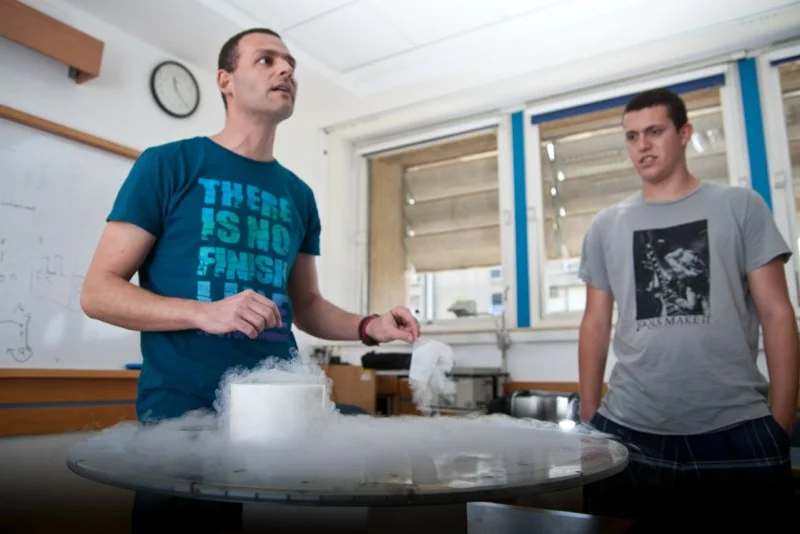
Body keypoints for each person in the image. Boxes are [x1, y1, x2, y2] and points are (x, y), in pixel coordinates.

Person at [80, 27, 420, 532]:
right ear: (226, 81)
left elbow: (306, 305)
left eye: (289, 64)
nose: (286, 70)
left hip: (284, 413)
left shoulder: (299, 195)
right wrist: (203, 311)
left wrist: (372, 326)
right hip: (183, 414)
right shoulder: (168, 165)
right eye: (266, 60)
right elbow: (98, 291)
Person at [577, 88, 797, 532]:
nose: (642, 145)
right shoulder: (605, 225)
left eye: (654, 132)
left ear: (684, 134)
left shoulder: (741, 206)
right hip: (628, 429)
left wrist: (781, 423)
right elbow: (596, 324)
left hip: (735, 430)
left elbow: (778, 314)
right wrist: (588, 420)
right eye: (632, 136)